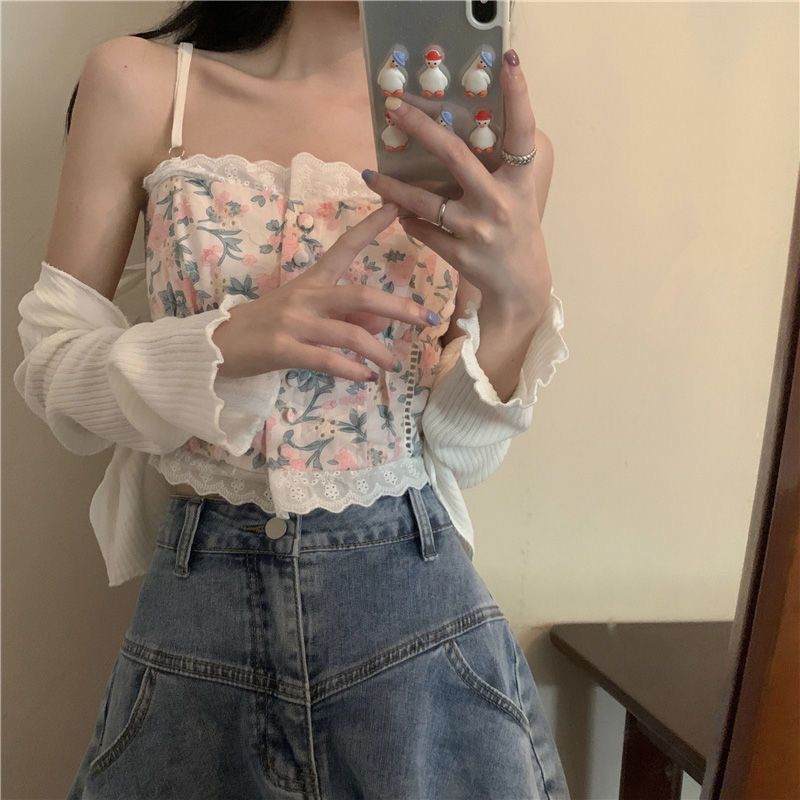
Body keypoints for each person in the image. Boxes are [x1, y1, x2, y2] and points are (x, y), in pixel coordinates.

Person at [13, 2, 571, 798]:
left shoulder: (493, 147)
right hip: (199, 616)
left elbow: (459, 452)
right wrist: (223, 345)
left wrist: (519, 309)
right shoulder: (140, 85)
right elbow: (53, 370)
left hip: (419, 620)